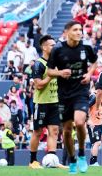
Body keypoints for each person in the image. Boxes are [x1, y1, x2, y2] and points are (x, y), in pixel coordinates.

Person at [47, 21, 98, 174]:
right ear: (67, 31)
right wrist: (60, 73)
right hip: (64, 94)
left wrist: (89, 74)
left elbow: (95, 62)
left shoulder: (86, 48)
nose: (79, 32)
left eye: (80, 29)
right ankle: (73, 160)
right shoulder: (58, 50)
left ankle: (82, 154)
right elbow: (49, 71)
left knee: (80, 122)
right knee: (67, 130)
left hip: (81, 91)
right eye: (75, 29)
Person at [29, 35, 64, 169]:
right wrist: (51, 75)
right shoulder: (39, 64)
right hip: (41, 103)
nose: (54, 48)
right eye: (51, 45)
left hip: (55, 102)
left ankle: (52, 159)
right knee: (38, 132)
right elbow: (38, 85)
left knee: (54, 131)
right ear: (44, 47)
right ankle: (33, 161)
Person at [87, 86, 102, 167]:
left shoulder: (100, 96)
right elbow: (86, 107)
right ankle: (94, 162)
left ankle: (92, 162)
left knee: (95, 143)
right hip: (94, 124)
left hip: (98, 123)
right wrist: (88, 120)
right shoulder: (94, 96)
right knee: (97, 143)